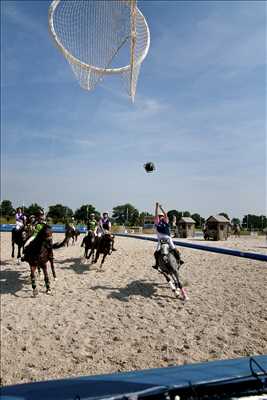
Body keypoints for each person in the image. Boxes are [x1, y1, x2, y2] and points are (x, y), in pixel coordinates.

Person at [153, 202, 183, 269]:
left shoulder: (165, 221)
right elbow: (156, 215)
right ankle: (157, 264)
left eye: (162, 216)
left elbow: (165, 214)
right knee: (156, 252)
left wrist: (161, 208)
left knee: (175, 250)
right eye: (160, 216)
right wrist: (157, 207)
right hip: (161, 240)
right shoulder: (157, 222)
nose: (161, 217)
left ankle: (179, 260)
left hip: (167, 239)